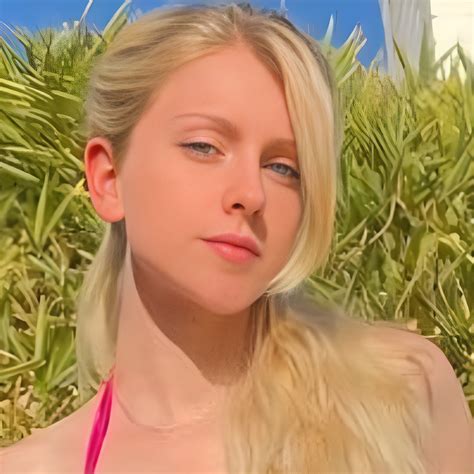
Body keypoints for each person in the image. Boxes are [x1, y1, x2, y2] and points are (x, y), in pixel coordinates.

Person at [1, 2, 473, 473]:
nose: (251, 193)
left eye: (284, 168)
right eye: (204, 146)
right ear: (108, 179)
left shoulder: (401, 397)